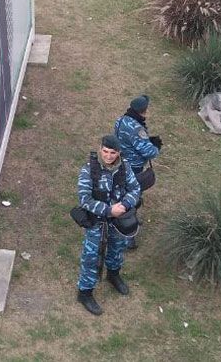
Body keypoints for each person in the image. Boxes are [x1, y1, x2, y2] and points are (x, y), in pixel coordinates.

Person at [75, 135, 141, 316]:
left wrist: (125, 205)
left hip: (118, 221)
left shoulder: (124, 167)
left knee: (117, 248)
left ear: (118, 152)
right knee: (91, 256)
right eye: (105, 151)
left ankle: (113, 275)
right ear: (100, 149)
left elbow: (135, 189)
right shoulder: (90, 170)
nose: (109, 156)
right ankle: (85, 292)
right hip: (97, 222)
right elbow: (84, 198)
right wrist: (108, 210)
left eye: (113, 153)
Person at [112, 95, 161, 250]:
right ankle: (128, 236)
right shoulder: (137, 128)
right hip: (133, 168)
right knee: (131, 198)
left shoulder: (121, 120)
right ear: (143, 111)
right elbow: (149, 152)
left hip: (120, 163)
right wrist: (155, 147)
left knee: (123, 194)